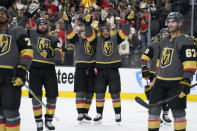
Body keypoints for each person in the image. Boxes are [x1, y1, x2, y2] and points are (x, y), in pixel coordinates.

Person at [147, 12, 197, 131]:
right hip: (160, 82)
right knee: (153, 111)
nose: (170, 24)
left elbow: (190, 64)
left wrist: (186, 81)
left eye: (173, 22)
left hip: (176, 83)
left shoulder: (186, 41)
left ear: (180, 23)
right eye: (168, 22)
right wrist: (154, 80)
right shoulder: (163, 41)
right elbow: (161, 62)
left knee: (178, 113)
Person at [84, 11, 132, 124]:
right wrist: (87, 25)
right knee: (100, 93)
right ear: (101, 32)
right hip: (100, 71)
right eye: (104, 31)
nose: (106, 32)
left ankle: (117, 113)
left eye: (107, 31)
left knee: (115, 93)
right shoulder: (97, 40)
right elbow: (88, 36)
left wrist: (128, 22)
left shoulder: (115, 38)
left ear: (110, 31)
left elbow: (125, 33)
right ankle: (99, 113)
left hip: (113, 71)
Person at [18, 10, 63, 131]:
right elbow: (18, 30)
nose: (43, 26)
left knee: (52, 97)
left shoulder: (54, 38)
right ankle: (38, 121)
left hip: (49, 70)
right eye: (40, 24)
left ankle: (49, 120)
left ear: (47, 26)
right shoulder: (31, 34)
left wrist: (50, 52)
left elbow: (59, 55)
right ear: (36, 26)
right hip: (34, 70)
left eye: (44, 24)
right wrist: (26, 16)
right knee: (36, 97)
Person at [0, 6, 33, 131]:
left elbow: (27, 51)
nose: (0, 15)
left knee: (11, 112)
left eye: (3, 13)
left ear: (8, 17)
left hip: (11, 78)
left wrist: (22, 69)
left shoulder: (17, 31)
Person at [64, 11, 95, 123]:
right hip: (81, 67)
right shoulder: (77, 40)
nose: (83, 33)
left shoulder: (93, 41)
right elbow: (70, 35)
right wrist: (67, 23)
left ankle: (86, 112)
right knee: (80, 91)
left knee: (90, 92)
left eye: (85, 31)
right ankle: (80, 113)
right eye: (81, 32)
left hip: (92, 68)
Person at [141, 28, 172, 125]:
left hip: (168, 74)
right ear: (160, 36)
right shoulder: (153, 45)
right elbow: (144, 58)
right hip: (154, 74)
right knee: (156, 96)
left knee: (168, 95)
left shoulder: (173, 46)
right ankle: (156, 115)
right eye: (164, 34)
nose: (166, 36)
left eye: (167, 34)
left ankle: (165, 113)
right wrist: (144, 68)